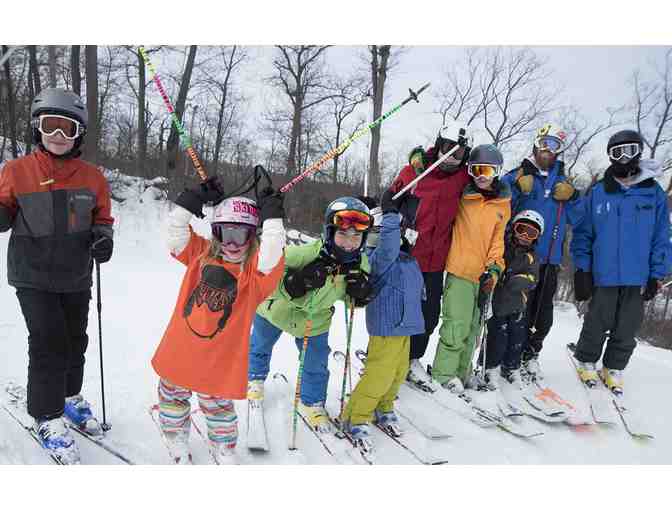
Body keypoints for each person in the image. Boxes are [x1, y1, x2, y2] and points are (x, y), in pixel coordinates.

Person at [0, 88, 114, 464]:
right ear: (38, 127)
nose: (59, 136)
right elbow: (4, 211)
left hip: (76, 275)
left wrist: (103, 238)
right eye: (51, 126)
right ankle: (46, 416)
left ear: (79, 134)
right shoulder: (16, 171)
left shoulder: (94, 178)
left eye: (67, 128)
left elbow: (102, 218)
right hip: (31, 275)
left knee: (75, 340)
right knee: (48, 342)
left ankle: (67, 396)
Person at [151, 182, 286, 464]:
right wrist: (190, 201)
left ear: (253, 236)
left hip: (220, 360)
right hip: (180, 351)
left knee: (218, 407)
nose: (232, 244)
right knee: (172, 396)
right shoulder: (201, 255)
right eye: (224, 233)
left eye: (241, 235)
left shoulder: (254, 275)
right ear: (215, 233)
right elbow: (175, 236)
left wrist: (272, 218)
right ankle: (175, 436)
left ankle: (223, 447)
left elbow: (272, 255)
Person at [247, 197, 374, 434]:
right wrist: (295, 282)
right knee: (260, 345)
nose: (349, 243)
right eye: (343, 235)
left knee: (316, 363)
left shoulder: (360, 264)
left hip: (314, 321)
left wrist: (360, 295)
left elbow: (352, 300)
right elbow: (265, 274)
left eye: (356, 237)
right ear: (330, 232)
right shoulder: (303, 254)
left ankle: (312, 402)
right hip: (275, 310)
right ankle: (254, 378)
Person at [570, 130, 672, 394]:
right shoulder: (599, 192)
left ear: (639, 152)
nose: (624, 157)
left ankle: (614, 367)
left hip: (637, 275)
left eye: (630, 150)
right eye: (618, 152)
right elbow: (583, 233)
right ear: (610, 156)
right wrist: (582, 269)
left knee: (628, 325)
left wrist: (656, 273)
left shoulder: (653, 193)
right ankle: (587, 360)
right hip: (603, 272)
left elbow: (662, 235)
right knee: (597, 321)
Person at [339, 191, 425, 454]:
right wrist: (389, 214)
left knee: (398, 373)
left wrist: (405, 215)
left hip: (406, 326)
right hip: (387, 326)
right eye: (381, 233)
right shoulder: (376, 258)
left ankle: (384, 407)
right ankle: (356, 417)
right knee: (379, 375)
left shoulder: (406, 258)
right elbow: (388, 244)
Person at [388, 123, 471, 389]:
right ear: (438, 146)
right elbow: (391, 199)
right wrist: (389, 204)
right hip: (409, 255)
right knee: (398, 309)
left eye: (459, 153)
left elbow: (487, 181)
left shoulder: (462, 178)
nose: (452, 157)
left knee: (429, 315)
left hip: (437, 261)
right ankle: (386, 357)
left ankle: (412, 359)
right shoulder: (416, 171)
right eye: (448, 149)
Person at [500, 123, 583, 380]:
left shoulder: (563, 183)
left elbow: (579, 218)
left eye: (554, 145)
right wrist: (516, 188)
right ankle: (508, 356)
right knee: (516, 308)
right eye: (545, 143)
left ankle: (531, 354)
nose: (548, 150)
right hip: (520, 256)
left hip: (549, 258)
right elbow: (499, 207)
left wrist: (574, 197)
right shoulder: (517, 176)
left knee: (542, 314)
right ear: (536, 144)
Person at [431, 144, 511, 393]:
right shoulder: (463, 195)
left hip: (482, 276)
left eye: (488, 170)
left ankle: (462, 374)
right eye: (476, 170)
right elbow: (440, 173)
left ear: (497, 172)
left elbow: (497, 242)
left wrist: (494, 269)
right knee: (456, 326)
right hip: (460, 271)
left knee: (474, 329)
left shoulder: (502, 204)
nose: (481, 176)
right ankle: (444, 374)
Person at [481, 210, 543, 390]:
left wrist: (512, 280)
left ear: (536, 238)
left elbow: (533, 279)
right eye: (521, 229)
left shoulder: (532, 257)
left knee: (517, 338)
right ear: (513, 229)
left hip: (517, 306)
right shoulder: (503, 249)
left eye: (531, 233)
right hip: (498, 304)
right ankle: (491, 367)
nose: (525, 236)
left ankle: (512, 367)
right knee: (497, 337)